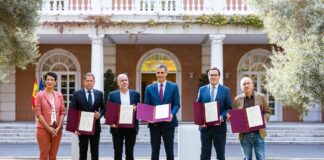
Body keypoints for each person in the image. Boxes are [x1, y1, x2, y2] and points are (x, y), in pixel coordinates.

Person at [144, 64, 180, 160]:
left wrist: (172, 114)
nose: (160, 75)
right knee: (155, 151)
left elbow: (176, 104)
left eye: (162, 73)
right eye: (158, 73)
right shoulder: (149, 88)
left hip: (169, 123)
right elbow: (147, 105)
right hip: (154, 124)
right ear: (156, 74)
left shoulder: (174, 87)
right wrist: (148, 117)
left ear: (166, 73)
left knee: (169, 150)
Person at [196, 67, 232, 160]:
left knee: (220, 155)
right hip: (205, 127)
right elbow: (198, 107)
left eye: (215, 75)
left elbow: (228, 108)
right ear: (208, 76)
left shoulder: (225, 90)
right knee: (204, 155)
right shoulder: (202, 89)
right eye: (211, 75)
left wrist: (221, 116)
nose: (213, 77)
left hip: (219, 128)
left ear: (219, 76)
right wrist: (200, 122)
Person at [232, 77, 271, 160]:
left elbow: (267, 111)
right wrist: (232, 119)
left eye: (248, 83)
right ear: (241, 87)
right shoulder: (237, 99)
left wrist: (265, 119)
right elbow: (235, 115)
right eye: (244, 84)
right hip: (244, 134)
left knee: (260, 157)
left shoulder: (261, 97)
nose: (246, 85)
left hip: (258, 132)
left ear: (253, 85)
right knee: (247, 158)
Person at [70, 72, 105, 160]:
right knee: (83, 151)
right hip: (82, 127)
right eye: (87, 80)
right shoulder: (77, 94)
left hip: (95, 127)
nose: (89, 82)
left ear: (94, 82)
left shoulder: (99, 94)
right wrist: (74, 128)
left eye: (91, 81)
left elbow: (104, 108)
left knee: (95, 151)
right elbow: (72, 111)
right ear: (83, 82)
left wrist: (100, 114)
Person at [107, 73, 141, 160]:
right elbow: (109, 111)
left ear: (128, 82)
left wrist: (136, 108)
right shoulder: (112, 95)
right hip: (117, 128)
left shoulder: (135, 94)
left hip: (131, 128)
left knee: (130, 153)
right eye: (122, 81)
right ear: (118, 83)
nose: (124, 82)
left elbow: (140, 109)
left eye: (126, 80)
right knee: (117, 153)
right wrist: (111, 123)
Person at [34, 72, 65, 160]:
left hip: (57, 130)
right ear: (45, 81)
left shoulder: (59, 95)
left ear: (55, 82)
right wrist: (48, 128)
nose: (49, 81)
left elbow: (63, 112)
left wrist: (58, 127)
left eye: (52, 80)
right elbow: (38, 113)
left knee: (53, 155)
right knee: (44, 155)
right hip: (43, 129)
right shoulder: (39, 95)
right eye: (47, 79)